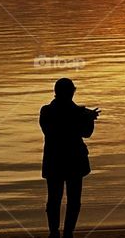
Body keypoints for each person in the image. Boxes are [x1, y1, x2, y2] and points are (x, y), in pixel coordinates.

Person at [39, 78, 100, 238]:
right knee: (70, 200)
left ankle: (55, 233)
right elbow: (86, 133)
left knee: (55, 199)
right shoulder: (76, 112)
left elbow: (84, 132)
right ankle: (66, 234)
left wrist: (87, 117)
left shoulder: (46, 111)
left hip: (55, 161)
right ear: (72, 92)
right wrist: (88, 117)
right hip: (72, 160)